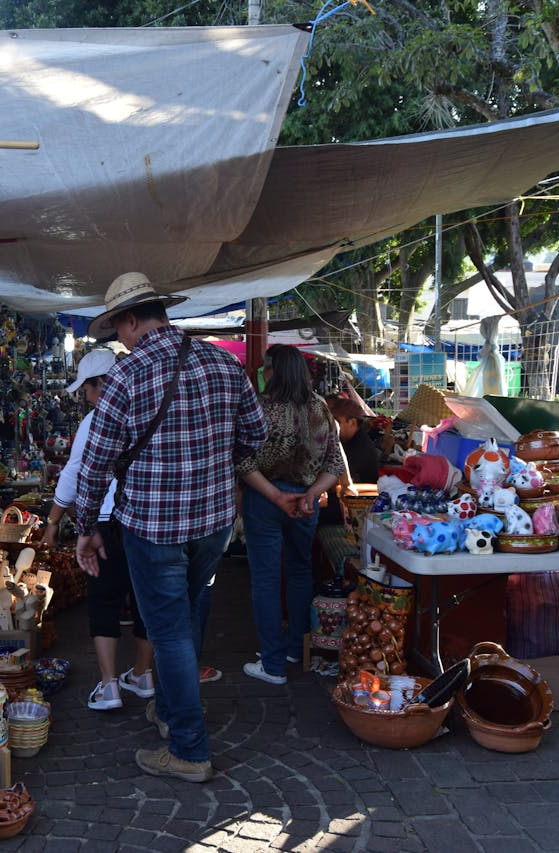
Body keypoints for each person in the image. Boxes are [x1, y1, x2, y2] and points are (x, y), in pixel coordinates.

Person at [72, 272, 267, 783]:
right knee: (191, 611)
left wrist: (86, 527)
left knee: (171, 631)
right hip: (214, 521)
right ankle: (171, 711)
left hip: (153, 527)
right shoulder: (224, 363)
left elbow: (94, 466)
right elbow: (255, 436)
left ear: (132, 320)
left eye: (119, 330)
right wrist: (212, 469)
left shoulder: (125, 378)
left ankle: (188, 749)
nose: (121, 340)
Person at [41, 348, 155, 712]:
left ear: (101, 383)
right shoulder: (149, 408)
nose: (84, 398)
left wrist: (54, 520)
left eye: (86, 390)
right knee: (145, 601)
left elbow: (76, 474)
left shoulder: (97, 419)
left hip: (106, 521)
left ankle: (109, 687)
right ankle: (142, 674)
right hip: (146, 521)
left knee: (104, 601)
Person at [236, 345, 346, 684]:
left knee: (266, 580)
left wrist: (275, 495)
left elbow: (242, 460)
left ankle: (272, 664)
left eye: (264, 368)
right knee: (300, 571)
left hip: (266, 500)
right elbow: (334, 464)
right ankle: (296, 650)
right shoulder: (319, 408)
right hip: (305, 502)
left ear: (272, 370)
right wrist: (311, 493)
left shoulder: (260, 408)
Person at [319, 394, 381, 526]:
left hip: (361, 507)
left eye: (337, 422)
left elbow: (333, 480)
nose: (332, 427)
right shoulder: (348, 440)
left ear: (352, 422)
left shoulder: (360, 447)